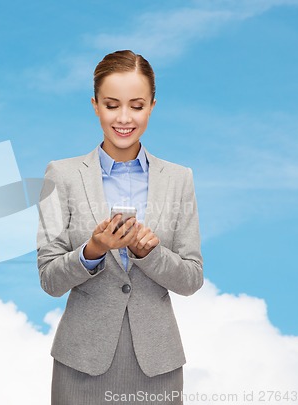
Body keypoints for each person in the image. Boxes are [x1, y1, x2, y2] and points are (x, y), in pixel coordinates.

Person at [37, 50, 203, 405]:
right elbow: (50, 279)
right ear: (95, 105)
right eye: (112, 105)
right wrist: (92, 251)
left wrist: (150, 254)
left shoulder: (178, 179)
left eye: (137, 105)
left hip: (157, 366)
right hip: (80, 363)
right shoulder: (61, 176)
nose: (124, 118)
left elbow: (191, 278)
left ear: (152, 106)